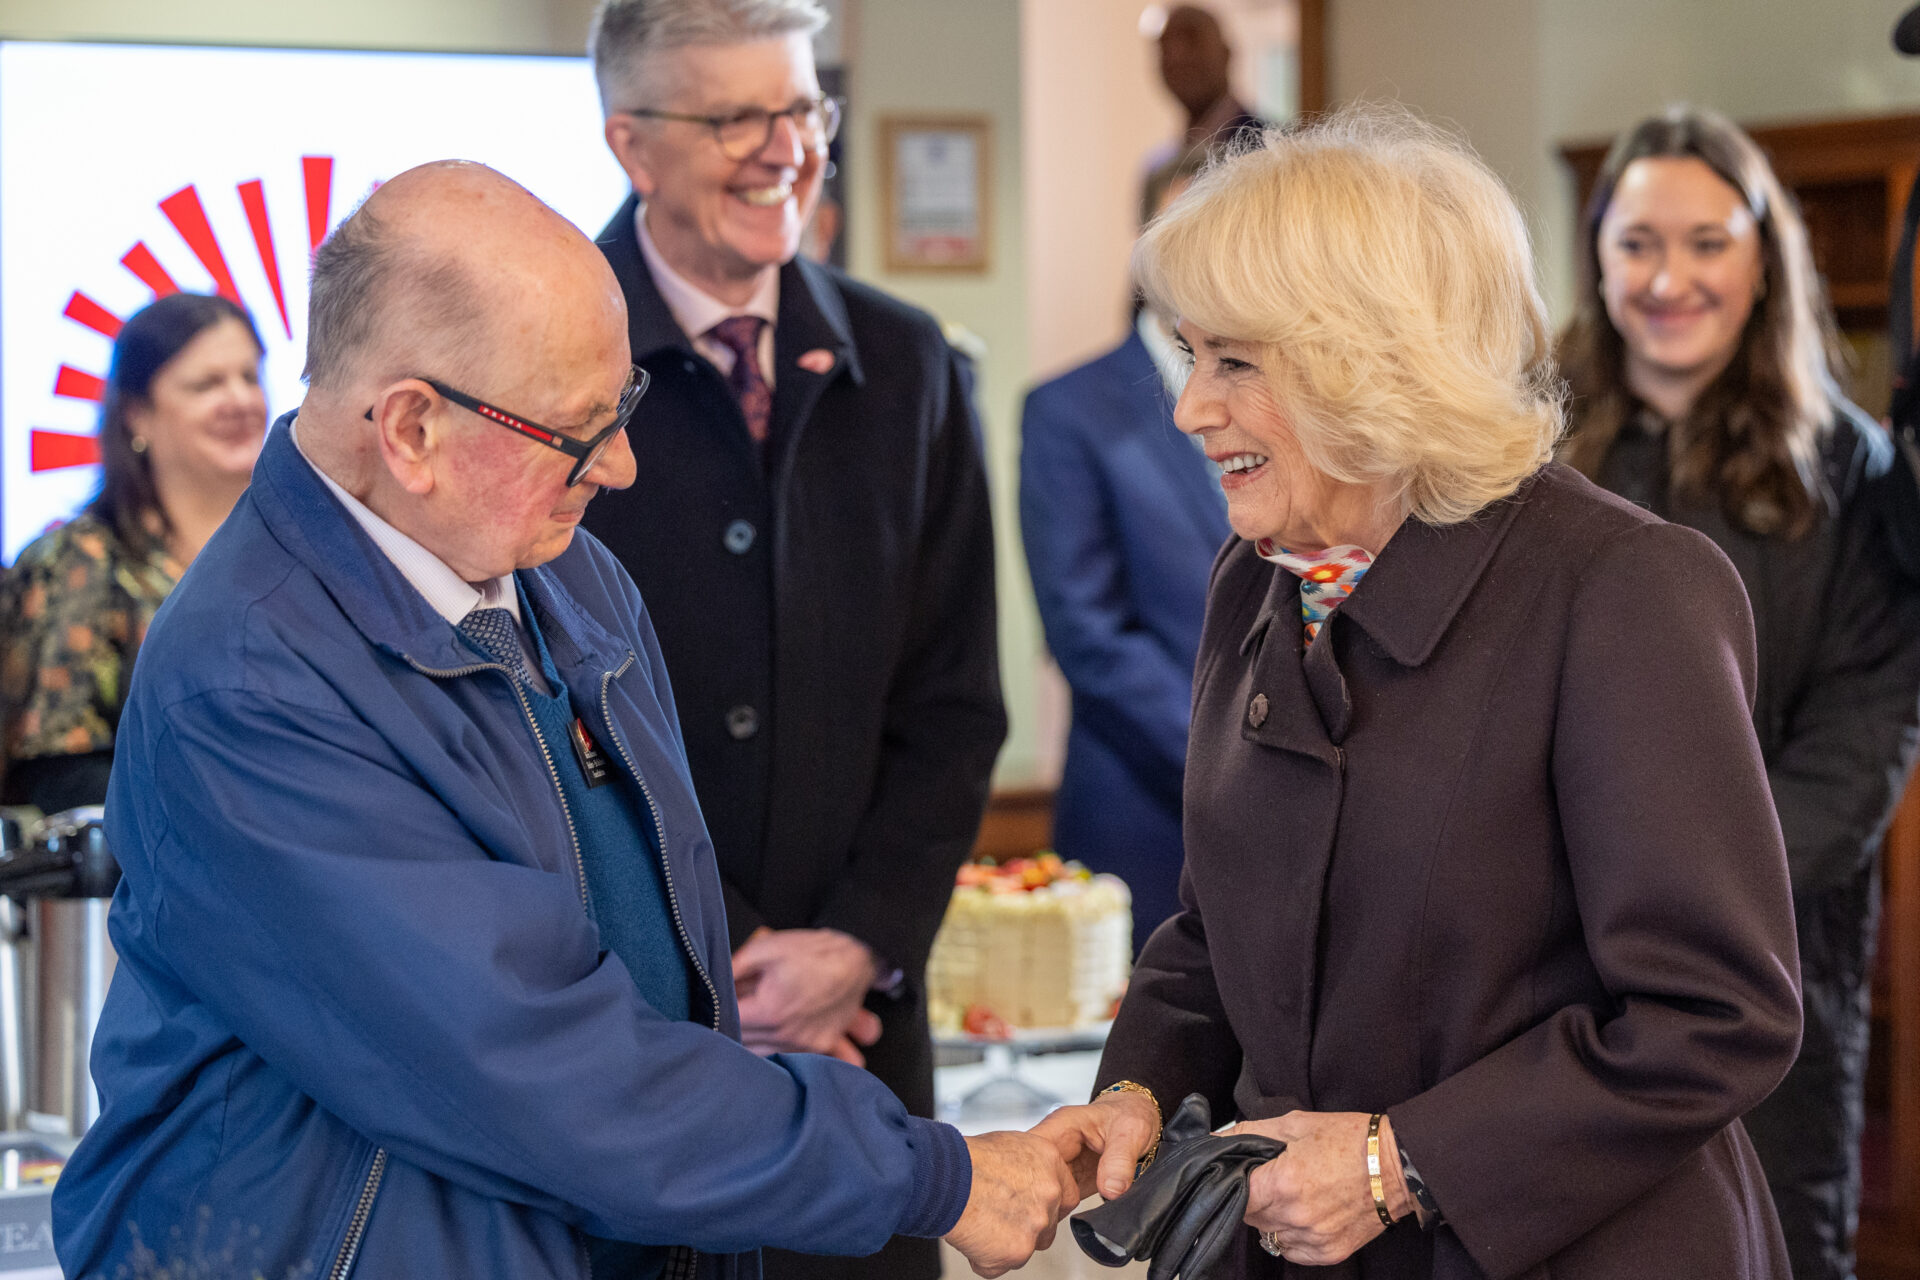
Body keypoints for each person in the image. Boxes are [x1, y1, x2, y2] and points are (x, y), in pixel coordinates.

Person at [50, 161, 1082, 1280]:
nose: (624, 465)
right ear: (410, 430)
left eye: (624, 406)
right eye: (577, 430)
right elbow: (539, 1065)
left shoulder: (571, 574)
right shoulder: (246, 681)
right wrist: (929, 1171)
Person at [1042, 106, 1803, 1278]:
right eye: (1187, 352)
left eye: (1233, 361)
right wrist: (1141, 1085)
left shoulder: (1620, 587)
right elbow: (1216, 927)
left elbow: (1717, 1016)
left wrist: (1400, 1162)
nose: (1190, 407)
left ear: (1376, 360)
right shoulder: (1255, 576)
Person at [584, 6, 1006, 1278]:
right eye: (735, 120)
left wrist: (857, 945)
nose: (787, 149)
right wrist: (734, 960)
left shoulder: (910, 361)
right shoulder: (545, 363)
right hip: (632, 1047)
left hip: (862, 1047)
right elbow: (541, 717)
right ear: (633, 145)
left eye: (803, 108)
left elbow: (955, 702)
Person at [1556, 105, 1920, 1280]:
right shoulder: (1528, 454)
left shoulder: (1852, 470)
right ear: (1598, 254)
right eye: (1637, 242)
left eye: (1707, 241)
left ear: (1766, 254)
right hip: (1550, 974)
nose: (1670, 278)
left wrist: (1675, 892)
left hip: (1770, 974)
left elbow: (1861, 742)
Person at [1018, 152, 1227, 948]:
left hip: (1290, 825)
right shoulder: (1069, 411)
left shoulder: (1299, 406)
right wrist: (1236, 762)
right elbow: (1087, 633)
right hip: (1140, 815)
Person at [0, 292, 266, 814]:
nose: (240, 399)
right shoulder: (83, 560)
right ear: (137, 414)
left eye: (249, 377)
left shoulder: (295, 552)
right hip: (149, 880)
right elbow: (57, 773)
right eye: (207, 384)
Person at [1147, 5, 1261, 173]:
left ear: (1226, 53)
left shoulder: (1267, 152)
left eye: (1192, 40)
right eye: (1165, 46)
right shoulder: (1159, 170)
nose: (1177, 56)